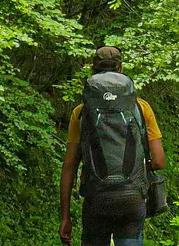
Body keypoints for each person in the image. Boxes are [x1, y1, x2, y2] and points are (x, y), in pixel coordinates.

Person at [60, 46, 165, 246]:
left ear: (93, 69)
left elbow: (69, 166)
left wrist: (65, 217)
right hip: (132, 197)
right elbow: (159, 162)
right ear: (121, 69)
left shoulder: (81, 112)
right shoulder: (141, 108)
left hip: (97, 199)